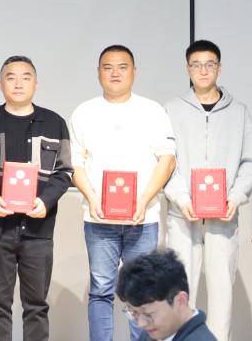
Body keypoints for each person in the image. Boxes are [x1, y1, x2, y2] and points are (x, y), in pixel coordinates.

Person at [69, 44, 177, 341]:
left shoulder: (152, 110)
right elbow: (75, 163)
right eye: (108, 67)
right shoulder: (84, 112)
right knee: (101, 290)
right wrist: (92, 198)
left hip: (143, 218)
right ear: (98, 73)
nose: (115, 73)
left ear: (134, 72)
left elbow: (167, 160)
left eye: (122, 67)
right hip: (98, 219)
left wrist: (143, 200)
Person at [0, 55, 74, 341]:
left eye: (26, 77)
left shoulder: (54, 123)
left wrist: (45, 201)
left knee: (36, 306)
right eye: (10, 77)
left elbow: (65, 171)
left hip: (38, 230)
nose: (18, 83)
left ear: (36, 84)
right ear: (0, 84)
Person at [162, 40, 252, 341]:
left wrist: (236, 197)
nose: (203, 70)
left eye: (209, 64)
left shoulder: (238, 112)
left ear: (219, 67)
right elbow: (165, 162)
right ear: (187, 68)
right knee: (179, 294)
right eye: (196, 65)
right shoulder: (171, 110)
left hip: (223, 218)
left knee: (222, 294)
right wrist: (182, 198)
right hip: (182, 216)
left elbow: (250, 163)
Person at [116, 249, 217, 341]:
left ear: (181, 301)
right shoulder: (151, 335)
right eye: (134, 313)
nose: (141, 324)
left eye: (148, 314)